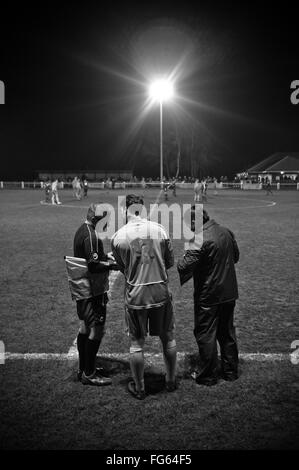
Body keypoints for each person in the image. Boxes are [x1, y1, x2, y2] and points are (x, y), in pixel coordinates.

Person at [111, 194, 177, 399]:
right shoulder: (160, 230)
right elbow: (170, 262)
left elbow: (121, 267)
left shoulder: (118, 237)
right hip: (160, 292)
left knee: (137, 343)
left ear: (126, 211)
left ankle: (140, 388)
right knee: (168, 337)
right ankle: (171, 381)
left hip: (136, 295)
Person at [177, 207, 239, 386]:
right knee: (227, 332)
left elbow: (184, 266)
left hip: (209, 294)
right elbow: (235, 257)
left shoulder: (198, 238)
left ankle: (208, 375)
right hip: (229, 293)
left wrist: (185, 255)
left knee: (206, 333)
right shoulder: (226, 232)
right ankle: (230, 371)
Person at [73, 203, 119, 386]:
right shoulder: (91, 235)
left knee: (84, 328)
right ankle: (89, 373)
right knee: (96, 330)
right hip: (92, 291)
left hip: (83, 289)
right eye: (104, 220)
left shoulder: (82, 230)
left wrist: (105, 256)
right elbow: (93, 265)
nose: (106, 224)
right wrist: (113, 265)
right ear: (95, 219)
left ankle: (84, 367)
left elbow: (91, 258)